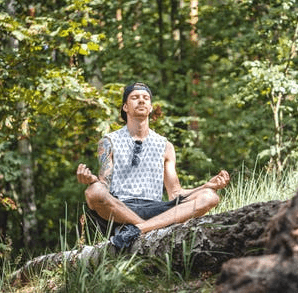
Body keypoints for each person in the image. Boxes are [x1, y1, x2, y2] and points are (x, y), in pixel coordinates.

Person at [76, 82, 230, 248]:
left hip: (154, 208)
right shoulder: (108, 141)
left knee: (210, 196)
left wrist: (206, 185)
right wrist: (92, 180)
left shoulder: (165, 146)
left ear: (150, 107)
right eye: (135, 98)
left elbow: (175, 193)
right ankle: (148, 229)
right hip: (120, 208)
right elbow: (104, 185)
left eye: (145, 98)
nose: (141, 101)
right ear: (125, 107)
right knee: (94, 192)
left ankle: (137, 230)